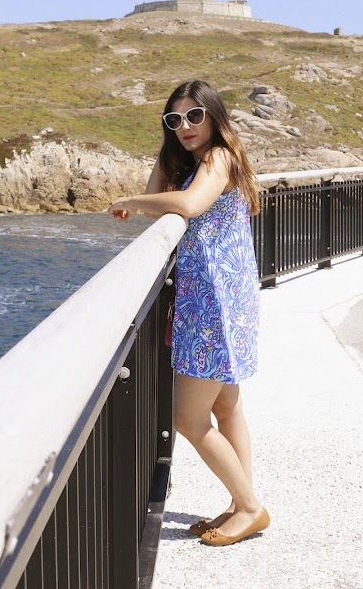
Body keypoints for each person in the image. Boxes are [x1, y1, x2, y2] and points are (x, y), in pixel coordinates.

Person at [109, 79, 269, 547]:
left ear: (214, 116)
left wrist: (130, 201)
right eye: (174, 119)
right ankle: (240, 505)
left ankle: (250, 508)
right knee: (226, 407)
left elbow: (188, 204)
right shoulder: (197, 160)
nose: (185, 126)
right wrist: (167, 151)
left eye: (194, 115)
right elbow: (159, 198)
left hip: (215, 302)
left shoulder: (219, 157)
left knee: (188, 418)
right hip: (216, 298)